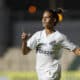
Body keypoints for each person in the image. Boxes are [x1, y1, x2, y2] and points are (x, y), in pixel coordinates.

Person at [21, 8, 80, 80]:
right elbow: (25, 52)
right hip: (41, 73)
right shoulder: (38, 35)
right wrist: (24, 41)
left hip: (52, 73)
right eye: (43, 18)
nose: (44, 20)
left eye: (46, 18)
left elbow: (76, 50)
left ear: (54, 20)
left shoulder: (59, 37)